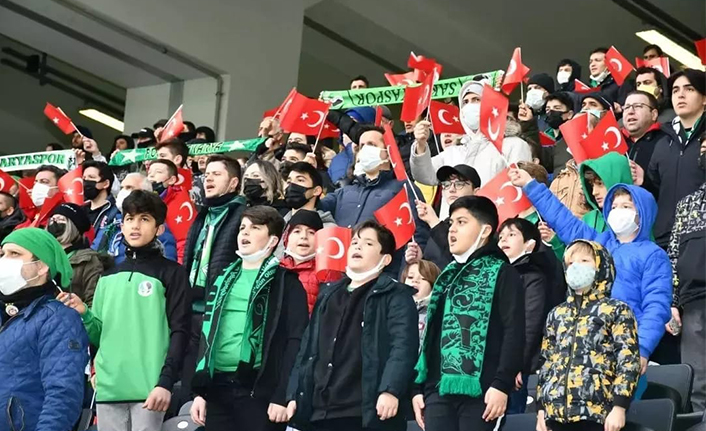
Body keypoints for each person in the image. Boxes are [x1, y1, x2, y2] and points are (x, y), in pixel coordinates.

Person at [510, 169, 672, 397]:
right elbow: (564, 220)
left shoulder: (653, 255)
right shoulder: (598, 243)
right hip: (586, 349)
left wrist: (641, 349)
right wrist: (530, 185)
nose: (618, 211)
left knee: (620, 412)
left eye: (626, 206)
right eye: (614, 206)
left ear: (643, 213)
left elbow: (656, 306)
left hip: (624, 351)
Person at [60, 190, 191, 431]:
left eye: (144, 219)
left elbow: (180, 331)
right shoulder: (107, 277)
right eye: (130, 219)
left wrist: (165, 382)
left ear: (159, 229)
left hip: (150, 390)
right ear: (122, 226)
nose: (135, 226)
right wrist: (84, 313)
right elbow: (99, 335)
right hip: (108, 388)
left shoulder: (173, 273)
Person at [286, 220, 419, 431]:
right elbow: (307, 349)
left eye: (368, 243)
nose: (358, 247)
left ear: (386, 259)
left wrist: (390, 390)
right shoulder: (328, 293)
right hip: (319, 412)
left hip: (364, 412)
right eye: (355, 242)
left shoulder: (396, 295)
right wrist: (295, 393)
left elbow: (403, 346)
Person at [189, 206, 308, 431]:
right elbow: (205, 335)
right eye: (242, 227)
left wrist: (282, 394)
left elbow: (296, 342)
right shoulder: (222, 278)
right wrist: (199, 393)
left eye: (255, 228)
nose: (245, 232)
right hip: (216, 388)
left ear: (273, 241)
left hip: (258, 390)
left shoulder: (287, 283)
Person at [412, 196, 524, 431]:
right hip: (438, 390)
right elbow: (431, 335)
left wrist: (501, 384)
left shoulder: (503, 272)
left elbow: (514, 332)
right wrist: (418, 388)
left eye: (461, 222)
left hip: (483, 392)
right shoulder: (447, 275)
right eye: (451, 223)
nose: (452, 229)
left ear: (485, 231)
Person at [536, 240, 640, 431]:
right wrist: (542, 408)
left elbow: (628, 360)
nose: (576, 266)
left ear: (601, 267)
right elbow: (547, 362)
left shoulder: (616, 310)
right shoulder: (556, 314)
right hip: (556, 414)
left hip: (597, 414)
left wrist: (619, 407)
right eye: (571, 263)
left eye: (584, 261)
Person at [0, 228, 89, 431]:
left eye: (15, 254)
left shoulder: (58, 318)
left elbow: (63, 393)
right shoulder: (5, 312)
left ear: (41, 267)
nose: (4, 260)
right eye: (3, 253)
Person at [318, 125, 429, 275]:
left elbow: (418, 235)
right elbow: (312, 207)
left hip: (384, 277)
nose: (365, 150)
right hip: (340, 277)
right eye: (361, 146)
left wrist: (403, 277)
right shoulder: (343, 192)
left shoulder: (403, 188)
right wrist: (310, 174)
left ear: (388, 153)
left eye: (371, 145)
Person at [181, 155, 247, 401]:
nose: (208, 178)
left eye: (216, 174)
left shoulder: (243, 215)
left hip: (219, 313)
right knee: (188, 386)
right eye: (206, 174)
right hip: (192, 310)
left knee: (209, 389)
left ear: (233, 183)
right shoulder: (203, 215)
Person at [410, 80, 532, 187]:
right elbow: (424, 176)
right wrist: (421, 145)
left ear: (490, 105)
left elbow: (520, 188)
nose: (469, 106)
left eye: (476, 99)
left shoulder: (514, 145)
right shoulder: (453, 152)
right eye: (465, 102)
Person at [635, 69, 706, 250]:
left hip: (700, 240)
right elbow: (657, 191)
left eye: (689, 89)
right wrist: (644, 181)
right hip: (663, 238)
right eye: (675, 90)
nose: (680, 95)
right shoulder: (662, 142)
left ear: (704, 98)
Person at [668, 134, 706, 410]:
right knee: (698, 383)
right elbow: (673, 256)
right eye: (703, 149)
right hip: (693, 302)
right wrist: (673, 301)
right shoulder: (687, 204)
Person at [497, 218, 550, 414]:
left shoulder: (533, 277)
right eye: (501, 236)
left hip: (518, 367)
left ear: (529, 244)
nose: (504, 240)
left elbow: (530, 324)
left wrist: (516, 364)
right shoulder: (496, 274)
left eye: (512, 235)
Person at [544, 152, 633, 260]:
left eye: (600, 184)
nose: (594, 192)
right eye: (592, 185)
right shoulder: (589, 218)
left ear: (616, 180)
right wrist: (555, 242)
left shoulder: (636, 219)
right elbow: (575, 261)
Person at [92, 173, 178, 264]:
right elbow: (94, 253)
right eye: (122, 188)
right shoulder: (111, 226)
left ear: (144, 192)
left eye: (129, 187)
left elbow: (167, 265)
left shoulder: (157, 230)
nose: (123, 191)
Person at [411, 164, 481, 269]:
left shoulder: (480, 222)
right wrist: (420, 259)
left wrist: (434, 222)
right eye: (447, 185)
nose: (451, 189)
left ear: (476, 191)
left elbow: (463, 257)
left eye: (459, 184)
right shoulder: (443, 224)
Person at [279, 210, 340, 314]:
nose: (304, 236)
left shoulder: (327, 272)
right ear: (286, 238)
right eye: (297, 231)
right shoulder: (275, 268)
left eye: (311, 232)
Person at [47, 203, 104, 306]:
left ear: (73, 227)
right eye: (52, 219)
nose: (54, 222)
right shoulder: (42, 257)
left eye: (61, 219)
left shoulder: (89, 260)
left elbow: (94, 301)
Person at [623, 90, 667, 197]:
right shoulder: (615, 141)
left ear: (653, 114)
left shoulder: (666, 142)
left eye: (638, 106)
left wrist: (644, 180)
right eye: (627, 107)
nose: (630, 111)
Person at [147, 158, 192, 263]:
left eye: (158, 172)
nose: (151, 176)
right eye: (149, 173)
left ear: (172, 180)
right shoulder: (145, 200)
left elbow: (183, 243)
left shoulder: (180, 202)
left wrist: (179, 269)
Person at [157, 138, 205, 208]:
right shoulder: (154, 184)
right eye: (157, 156)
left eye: (162, 156)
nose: (158, 160)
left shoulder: (200, 183)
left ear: (177, 159)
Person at [283, 161, 335, 227]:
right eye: (288, 182)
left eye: (300, 180)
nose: (291, 185)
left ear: (316, 191)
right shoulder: (279, 225)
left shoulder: (328, 229)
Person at [401, 259, 441, 342]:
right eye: (410, 277)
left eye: (423, 278)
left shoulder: (436, 314)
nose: (415, 280)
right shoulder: (393, 309)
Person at [542, 92, 575, 173]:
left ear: (570, 114)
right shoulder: (545, 135)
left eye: (557, 108)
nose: (551, 112)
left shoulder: (574, 138)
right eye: (547, 109)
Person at [82, 160, 119, 232]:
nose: (86, 182)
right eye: (84, 178)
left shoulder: (115, 212)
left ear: (106, 184)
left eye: (91, 177)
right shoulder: (79, 210)